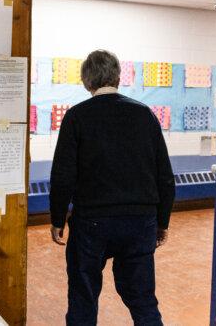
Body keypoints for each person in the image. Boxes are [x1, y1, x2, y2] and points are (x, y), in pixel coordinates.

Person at [49, 50, 175, 326]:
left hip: (91, 222)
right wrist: (162, 221)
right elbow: (164, 175)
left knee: (83, 297)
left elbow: (63, 175)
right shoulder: (145, 115)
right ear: (118, 77)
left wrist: (58, 218)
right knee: (143, 300)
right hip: (140, 221)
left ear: (86, 81)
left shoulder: (77, 117)